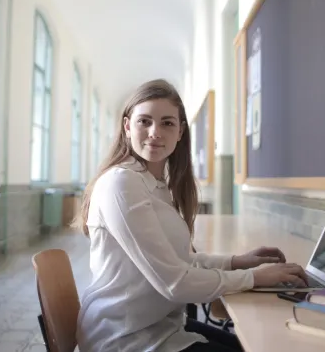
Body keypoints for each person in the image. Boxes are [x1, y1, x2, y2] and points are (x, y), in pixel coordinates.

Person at [75, 79, 308, 352]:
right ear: (127, 126)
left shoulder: (156, 185)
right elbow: (174, 283)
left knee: (253, 344)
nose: (155, 132)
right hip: (124, 339)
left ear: (180, 132)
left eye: (167, 123)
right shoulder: (121, 184)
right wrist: (256, 277)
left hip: (158, 327)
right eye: (144, 121)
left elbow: (176, 262)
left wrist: (237, 262)